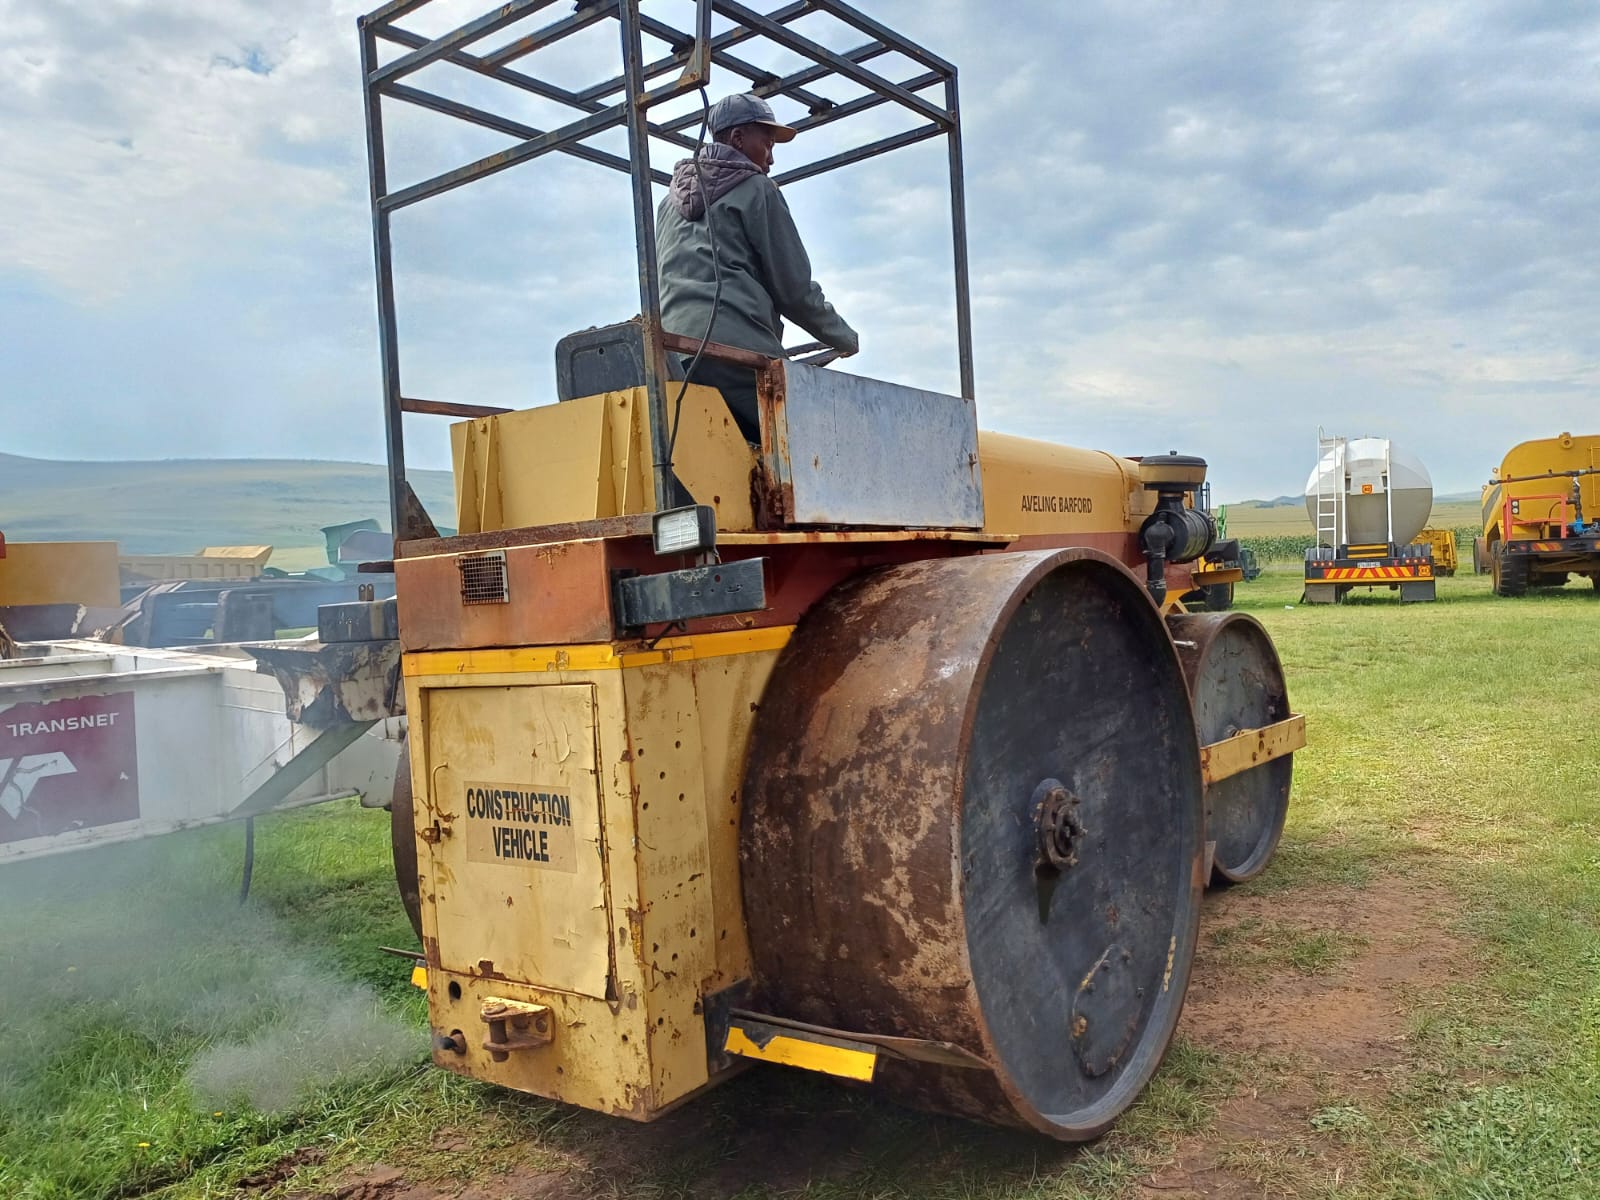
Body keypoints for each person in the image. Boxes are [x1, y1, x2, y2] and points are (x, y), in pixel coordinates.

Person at [655, 92, 859, 444]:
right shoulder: (757, 189)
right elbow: (794, 290)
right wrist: (843, 337)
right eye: (766, 144)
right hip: (736, 356)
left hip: (677, 359)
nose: (772, 159)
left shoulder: (666, 205)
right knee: (822, 440)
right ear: (737, 139)